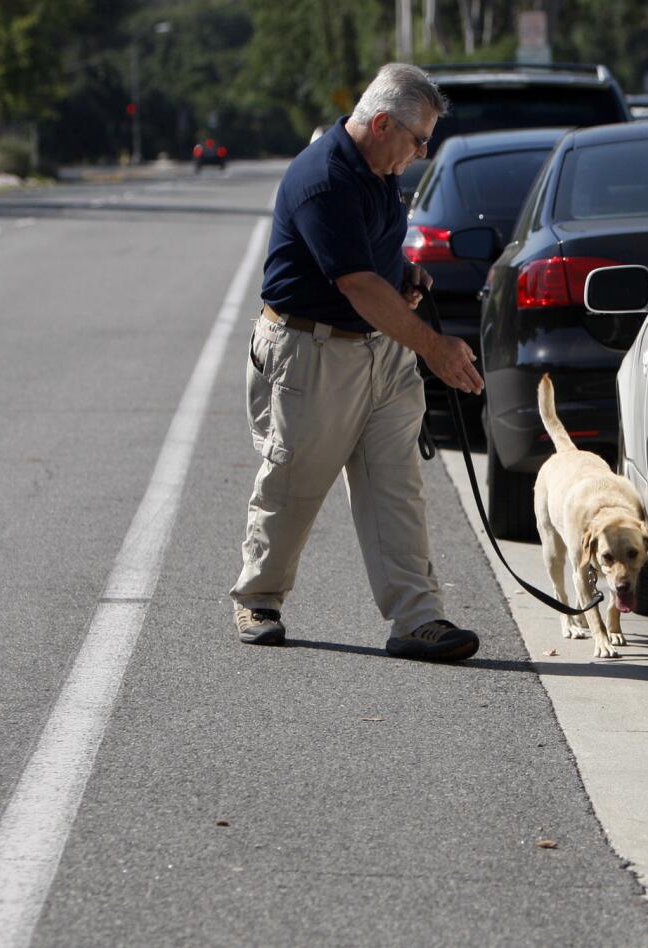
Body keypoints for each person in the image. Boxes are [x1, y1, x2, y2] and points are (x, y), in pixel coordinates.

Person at [230, 63, 484, 662]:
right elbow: (358, 284)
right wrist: (436, 347)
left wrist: (406, 275)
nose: (422, 153)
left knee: (396, 485)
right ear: (379, 123)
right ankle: (259, 598)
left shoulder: (378, 169)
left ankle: (418, 619)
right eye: (418, 140)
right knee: (294, 482)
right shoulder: (324, 178)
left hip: (380, 352)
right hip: (311, 352)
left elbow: (376, 259)